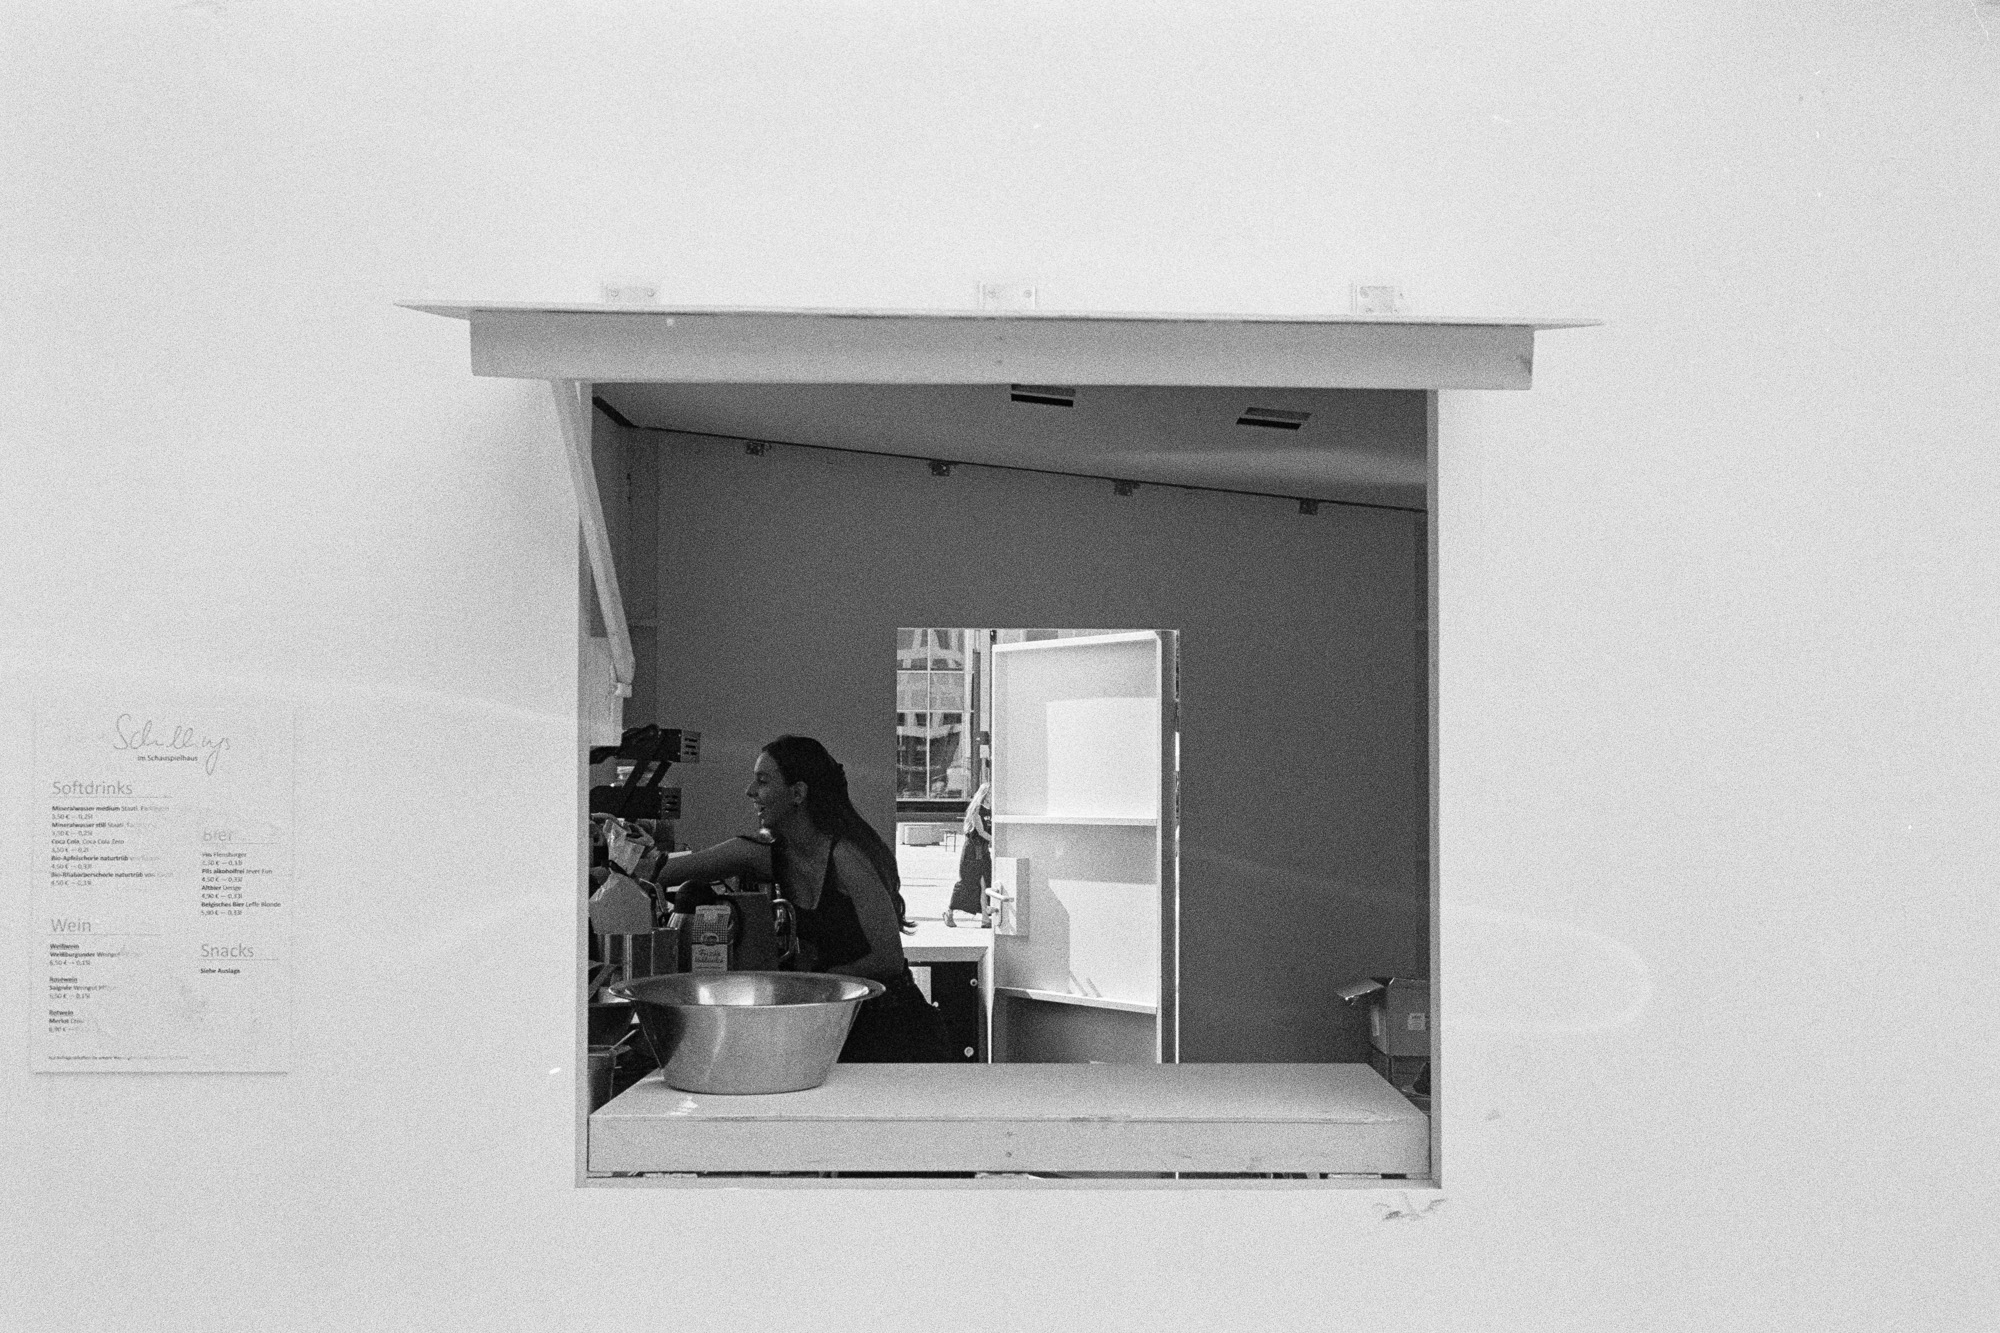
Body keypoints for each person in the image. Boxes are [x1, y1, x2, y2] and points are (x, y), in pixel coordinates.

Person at [655, 734, 952, 1063]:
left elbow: (888, 960)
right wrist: (626, 858)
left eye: (763, 781)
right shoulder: (771, 854)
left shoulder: (846, 857)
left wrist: (812, 982)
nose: (750, 791)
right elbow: (664, 871)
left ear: (798, 793)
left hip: (897, 1030)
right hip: (842, 1023)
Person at [944, 778, 991, 928]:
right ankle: (949, 911)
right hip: (972, 851)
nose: (993, 796)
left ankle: (985, 919)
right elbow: (981, 831)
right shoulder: (977, 810)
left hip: (984, 851)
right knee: (967, 883)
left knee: (985, 884)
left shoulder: (993, 810)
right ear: (985, 794)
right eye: (991, 793)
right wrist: (996, 840)